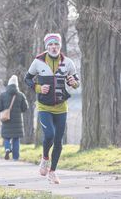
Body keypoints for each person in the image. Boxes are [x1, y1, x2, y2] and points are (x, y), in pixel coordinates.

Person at [24, 33, 80, 184]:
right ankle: (44, 158)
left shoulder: (68, 63)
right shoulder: (38, 62)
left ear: (60, 46)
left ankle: (53, 172)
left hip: (61, 107)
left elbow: (76, 82)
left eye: (56, 44)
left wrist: (73, 82)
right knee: (49, 134)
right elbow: (27, 78)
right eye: (51, 45)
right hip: (44, 107)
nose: (54, 47)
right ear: (46, 46)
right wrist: (38, 87)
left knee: (59, 141)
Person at [0, 75, 28, 161]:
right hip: (17, 120)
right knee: (16, 138)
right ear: (16, 85)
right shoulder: (21, 95)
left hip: (6, 120)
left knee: (6, 137)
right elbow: (25, 108)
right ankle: (15, 157)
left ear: (8, 84)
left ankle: (7, 148)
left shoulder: (3, 95)